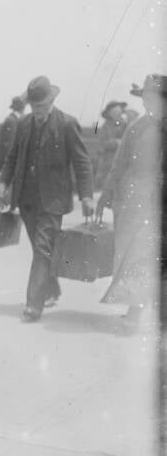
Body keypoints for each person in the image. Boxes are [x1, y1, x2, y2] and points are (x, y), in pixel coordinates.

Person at [0, 75, 95, 322]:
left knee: (42, 250)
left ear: (51, 101)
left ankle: (33, 305)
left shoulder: (67, 124)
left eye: (41, 106)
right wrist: (3, 182)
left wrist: (86, 196)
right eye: (33, 106)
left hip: (53, 201)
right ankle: (51, 289)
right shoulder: (23, 124)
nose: (37, 111)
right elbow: (12, 157)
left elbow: (82, 162)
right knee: (41, 249)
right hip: (26, 198)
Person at [96, 74, 165, 330]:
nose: (149, 102)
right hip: (136, 200)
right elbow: (119, 163)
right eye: (145, 97)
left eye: (154, 97)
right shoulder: (136, 127)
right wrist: (105, 195)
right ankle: (136, 309)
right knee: (137, 254)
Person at [94, 100, 128, 189]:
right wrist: (115, 142)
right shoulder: (105, 127)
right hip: (109, 159)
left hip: (124, 158)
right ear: (109, 114)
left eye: (118, 112)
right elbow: (101, 143)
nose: (117, 114)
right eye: (114, 112)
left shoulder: (126, 124)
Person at [0, 94, 27, 171]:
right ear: (22, 108)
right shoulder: (12, 121)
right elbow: (10, 145)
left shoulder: (13, 120)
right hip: (5, 165)